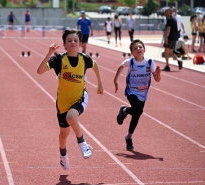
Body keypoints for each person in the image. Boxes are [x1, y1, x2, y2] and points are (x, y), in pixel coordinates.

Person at [37, 28, 103, 170]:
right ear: (65, 44)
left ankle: (82, 143)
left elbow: (95, 64)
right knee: (63, 134)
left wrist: (100, 83)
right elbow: (40, 71)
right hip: (62, 103)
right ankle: (63, 156)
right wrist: (49, 53)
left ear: (80, 44)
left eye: (75, 40)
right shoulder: (59, 59)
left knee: (72, 117)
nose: (73, 42)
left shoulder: (84, 59)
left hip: (80, 98)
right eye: (69, 40)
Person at [113, 39, 161, 151]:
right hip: (131, 91)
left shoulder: (150, 62)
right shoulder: (130, 62)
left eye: (140, 47)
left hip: (143, 93)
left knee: (136, 115)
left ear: (144, 49)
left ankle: (128, 137)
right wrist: (115, 80)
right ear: (132, 53)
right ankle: (124, 110)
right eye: (135, 48)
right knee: (138, 110)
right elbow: (121, 67)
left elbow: (157, 79)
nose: (138, 49)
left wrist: (158, 75)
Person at [161, 7, 183, 72]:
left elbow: (168, 28)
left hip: (170, 37)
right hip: (174, 37)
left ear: (169, 12)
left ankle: (167, 66)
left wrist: (166, 37)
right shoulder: (174, 18)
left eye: (166, 11)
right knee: (170, 52)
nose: (164, 12)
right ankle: (179, 61)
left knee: (166, 51)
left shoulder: (169, 19)